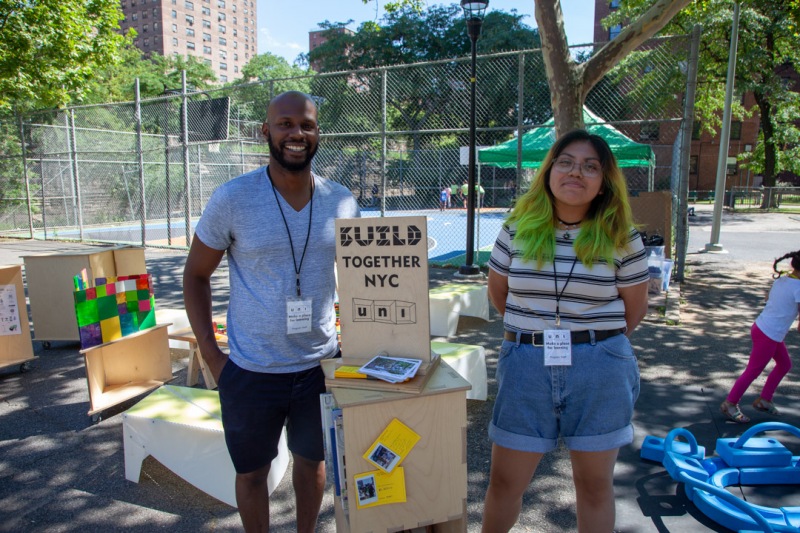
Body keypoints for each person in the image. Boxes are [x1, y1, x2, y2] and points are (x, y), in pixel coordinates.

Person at [182, 91, 359, 533]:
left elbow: (366, 277)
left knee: (313, 464)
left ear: (318, 134)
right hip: (249, 369)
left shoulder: (342, 202)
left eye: (306, 125)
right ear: (266, 131)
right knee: (252, 473)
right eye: (285, 124)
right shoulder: (234, 198)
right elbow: (195, 276)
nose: (296, 133)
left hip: (318, 365)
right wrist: (213, 356)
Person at [481, 129, 649, 533]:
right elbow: (499, 295)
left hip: (600, 367)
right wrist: (535, 332)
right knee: (504, 482)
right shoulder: (516, 229)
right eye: (567, 162)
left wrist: (587, 339)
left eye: (591, 166)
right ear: (549, 171)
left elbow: (635, 310)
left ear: (604, 181)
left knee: (593, 486)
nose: (577, 172)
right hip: (525, 364)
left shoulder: (622, 237)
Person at [720, 250, 800, 423]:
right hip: (769, 334)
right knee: (753, 370)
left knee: (785, 364)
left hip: (764, 329)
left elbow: (770, 298)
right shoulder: (799, 288)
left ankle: (765, 400)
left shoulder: (784, 279)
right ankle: (730, 403)